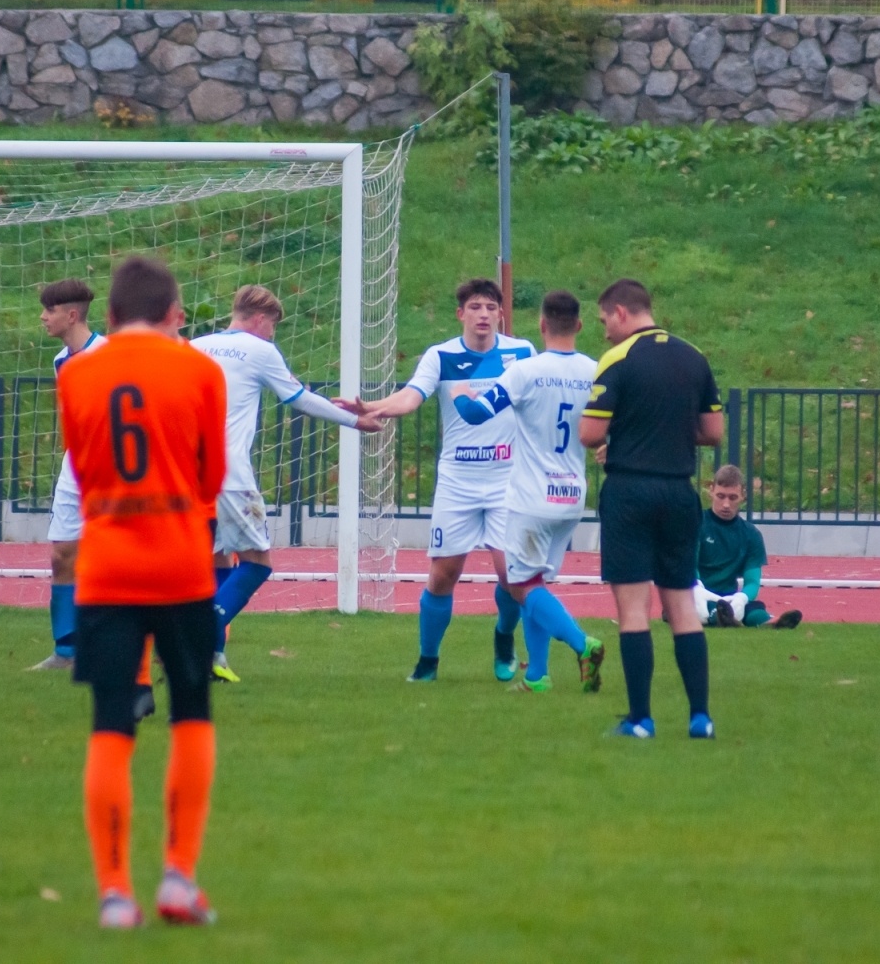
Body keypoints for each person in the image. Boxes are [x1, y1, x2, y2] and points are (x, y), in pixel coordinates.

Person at [57, 256, 227, 929]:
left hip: (106, 566)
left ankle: (114, 894)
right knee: (190, 714)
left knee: (111, 725)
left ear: (110, 315)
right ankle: (179, 880)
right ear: (170, 313)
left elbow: (81, 464)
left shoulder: (77, 375)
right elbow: (211, 476)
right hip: (180, 563)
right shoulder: (199, 370)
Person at [344, 279, 535, 683]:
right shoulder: (441, 356)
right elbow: (412, 397)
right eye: (475, 307)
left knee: (511, 575)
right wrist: (373, 406)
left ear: (501, 314)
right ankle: (427, 660)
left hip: (507, 481)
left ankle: (504, 637)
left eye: (490, 307)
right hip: (458, 483)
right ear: (460, 313)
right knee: (443, 575)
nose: (483, 314)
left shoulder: (521, 353)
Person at [192, 284, 381, 683]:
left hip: (185, 467)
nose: (273, 333)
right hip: (228, 470)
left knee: (214, 558)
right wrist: (355, 421)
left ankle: (213, 655)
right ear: (260, 319)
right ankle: (198, 636)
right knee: (258, 562)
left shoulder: (195, 346)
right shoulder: (260, 350)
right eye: (273, 325)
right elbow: (299, 399)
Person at [579, 279, 723, 740]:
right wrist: (669, 434)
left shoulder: (618, 360)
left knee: (633, 610)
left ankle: (640, 719)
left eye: (604, 321)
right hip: (680, 493)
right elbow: (713, 432)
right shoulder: (693, 355)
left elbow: (589, 434)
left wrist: (626, 433)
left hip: (630, 491)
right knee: (681, 603)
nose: (604, 333)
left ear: (620, 312)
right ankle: (700, 717)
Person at [453, 290, 606, 693]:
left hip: (531, 498)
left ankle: (583, 644)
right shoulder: (596, 371)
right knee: (535, 584)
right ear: (579, 325)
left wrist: (461, 396)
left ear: (541, 325)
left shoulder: (526, 371)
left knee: (521, 586)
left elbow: (475, 414)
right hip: (571, 498)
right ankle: (537, 676)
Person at [32, 279, 107, 672]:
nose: (43, 317)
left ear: (71, 314)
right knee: (63, 555)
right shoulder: (62, 360)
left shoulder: (110, 355)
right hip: (75, 468)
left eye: (50, 310)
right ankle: (66, 651)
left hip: (114, 471)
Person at [694, 465, 802, 630]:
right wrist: (696, 586)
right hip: (694, 593)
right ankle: (722, 617)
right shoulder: (695, 524)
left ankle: (769, 622)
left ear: (743, 497)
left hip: (728, 598)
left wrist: (742, 597)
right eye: (721, 496)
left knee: (753, 607)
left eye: (732, 498)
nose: (725, 504)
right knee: (694, 605)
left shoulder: (751, 535)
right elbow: (687, 566)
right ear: (711, 492)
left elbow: (752, 580)